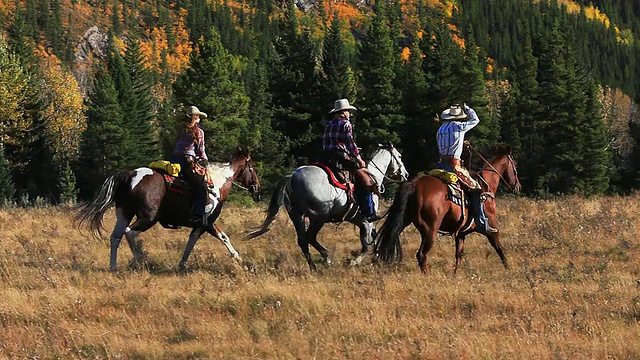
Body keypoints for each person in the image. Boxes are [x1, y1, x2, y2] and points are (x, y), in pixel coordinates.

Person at [436, 103, 497, 234]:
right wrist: (468, 108)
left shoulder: (440, 129)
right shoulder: (459, 127)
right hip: (454, 166)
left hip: (440, 165)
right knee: (476, 188)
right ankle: (480, 222)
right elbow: (475, 120)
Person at [322, 99, 376, 221]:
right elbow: (350, 143)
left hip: (327, 156)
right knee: (364, 180)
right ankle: (368, 212)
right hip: (341, 156)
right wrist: (359, 159)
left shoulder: (329, 124)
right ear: (343, 112)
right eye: (347, 111)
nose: (349, 113)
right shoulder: (345, 124)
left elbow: (325, 142)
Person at [171, 105, 210, 226]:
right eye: (198, 115)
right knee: (201, 188)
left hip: (174, 159)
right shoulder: (199, 132)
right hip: (186, 161)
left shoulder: (180, 129)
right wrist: (205, 163)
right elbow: (201, 151)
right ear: (194, 117)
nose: (199, 117)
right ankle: (198, 216)